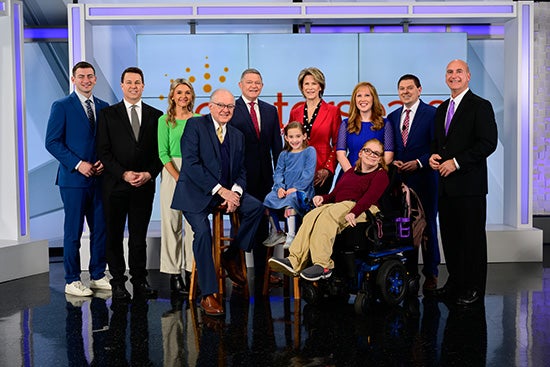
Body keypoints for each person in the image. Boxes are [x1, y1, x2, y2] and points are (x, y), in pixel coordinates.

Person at [171, 88, 264, 316]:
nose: (225, 110)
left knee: (257, 209)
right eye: (221, 105)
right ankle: (209, 294)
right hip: (195, 193)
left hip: (226, 192)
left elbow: (241, 170)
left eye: (230, 107)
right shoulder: (195, 126)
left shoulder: (237, 135)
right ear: (210, 106)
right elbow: (191, 165)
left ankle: (231, 256)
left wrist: (236, 193)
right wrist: (221, 191)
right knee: (203, 233)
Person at [269, 138, 389, 281]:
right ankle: (294, 261)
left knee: (328, 216)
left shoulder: (381, 175)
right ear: (361, 153)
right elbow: (334, 195)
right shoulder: (350, 172)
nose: (371, 155)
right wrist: (323, 199)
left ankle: (323, 265)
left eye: (376, 153)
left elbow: (368, 199)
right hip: (340, 206)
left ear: (381, 159)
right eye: (368, 151)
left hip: (363, 208)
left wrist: (354, 212)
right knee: (311, 215)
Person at [429, 59, 498, 306]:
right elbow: (439, 144)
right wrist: (434, 156)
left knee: (472, 239)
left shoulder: (480, 106)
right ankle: (455, 283)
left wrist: (456, 162)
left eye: (459, 71)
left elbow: (487, 143)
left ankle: (473, 288)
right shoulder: (441, 109)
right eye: (450, 72)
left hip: (470, 187)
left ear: (468, 76)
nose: (454, 75)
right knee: (451, 238)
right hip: (446, 187)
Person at [96, 66, 163, 301]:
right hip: (115, 186)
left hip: (144, 186)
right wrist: (124, 174)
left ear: (143, 86)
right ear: (122, 85)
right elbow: (103, 152)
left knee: (138, 237)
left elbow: (160, 154)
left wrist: (149, 174)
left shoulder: (157, 116)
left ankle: (139, 280)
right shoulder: (108, 114)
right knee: (114, 236)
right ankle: (118, 283)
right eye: (129, 82)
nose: (134, 86)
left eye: (138, 82)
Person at [45, 61, 111, 297]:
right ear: (73, 79)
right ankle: (72, 279)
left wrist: (105, 160)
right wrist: (77, 163)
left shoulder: (104, 107)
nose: (86, 80)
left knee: (100, 229)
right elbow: (52, 142)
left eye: (90, 76)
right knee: (73, 230)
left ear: (95, 79)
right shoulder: (61, 106)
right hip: (73, 180)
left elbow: (107, 142)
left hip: (99, 179)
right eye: (81, 76)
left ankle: (97, 274)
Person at [229, 68, 283, 286]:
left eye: (257, 83)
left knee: (262, 226)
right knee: (239, 225)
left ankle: (263, 274)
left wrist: (279, 180)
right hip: (238, 178)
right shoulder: (231, 109)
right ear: (240, 85)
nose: (253, 86)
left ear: (262, 86)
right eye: (249, 82)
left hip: (265, 179)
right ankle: (237, 273)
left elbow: (277, 149)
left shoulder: (271, 111)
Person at [386, 74, 440, 293]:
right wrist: (394, 162)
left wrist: (419, 163)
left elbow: (438, 147)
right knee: (403, 227)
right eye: (401, 88)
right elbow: (390, 148)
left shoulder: (433, 114)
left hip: (425, 178)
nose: (405, 91)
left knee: (427, 227)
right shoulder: (392, 117)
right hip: (401, 181)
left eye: (410, 88)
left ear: (420, 90)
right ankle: (409, 272)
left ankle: (431, 274)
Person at [158, 78, 200, 296]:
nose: (183, 96)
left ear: (192, 96)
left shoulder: (201, 119)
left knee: (194, 227)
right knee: (171, 224)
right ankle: (174, 275)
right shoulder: (164, 120)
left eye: (188, 92)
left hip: (196, 173)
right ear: (172, 96)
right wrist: (178, 176)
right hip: (172, 171)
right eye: (179, 92)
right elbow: (162, 153)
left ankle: (192, 272)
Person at [263, 121, 316, 248]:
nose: (294, 140)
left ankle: (291, 234)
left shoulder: (309, 151)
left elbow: (308, 174)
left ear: (304, 136)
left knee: (291, 199)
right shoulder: (284, 154)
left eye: (298, 136)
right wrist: (280, 187)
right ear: (286, 138)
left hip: (302, 191)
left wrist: (296, 188)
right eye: (291, 137)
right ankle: (277, 231)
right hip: (285, 189)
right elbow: (278, 173)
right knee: (268, 199)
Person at [288, 67, 342, 195]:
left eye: (314, 83)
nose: (310, 87)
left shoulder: (333, 111)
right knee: (298, 210)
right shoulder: (295, 112)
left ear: (320, 87)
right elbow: (290, 144)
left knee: (316, 210)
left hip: (321, 171)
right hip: (298, 170)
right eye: (306, 84)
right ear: (302, 87)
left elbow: (337, 144)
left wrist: (328, 169)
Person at [336, 82, 394, 173]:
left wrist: (370, 174)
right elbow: (340, 154)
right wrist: (352, 175)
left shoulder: (385, 124)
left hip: (375, 176)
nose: (363, 99)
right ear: (354, 100)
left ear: (373, 99)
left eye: (367, 95)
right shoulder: (346, 124)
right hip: (349, 174)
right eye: (359, 96)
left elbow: (389, 156)